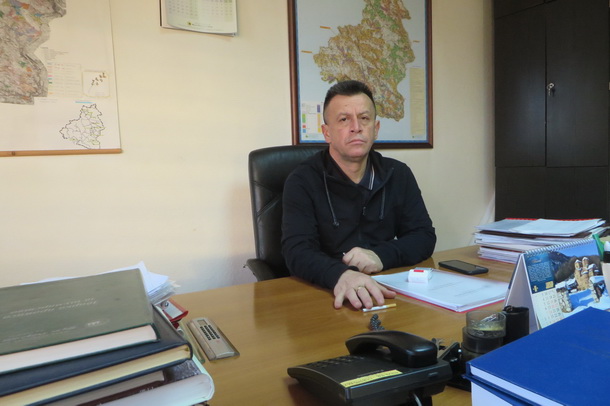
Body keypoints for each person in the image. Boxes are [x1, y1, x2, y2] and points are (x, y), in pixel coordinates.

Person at [281, 80, 436, 310]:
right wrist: (341, 274)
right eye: (344, 120)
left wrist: (381, 255)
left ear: (376, 128)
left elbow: (423, 236)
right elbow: (297, 251)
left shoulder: (398, 174)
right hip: (326, 293)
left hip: (387, 290)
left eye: (364, 118)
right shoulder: (302, 180)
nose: (356, 127)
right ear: (327, 133)